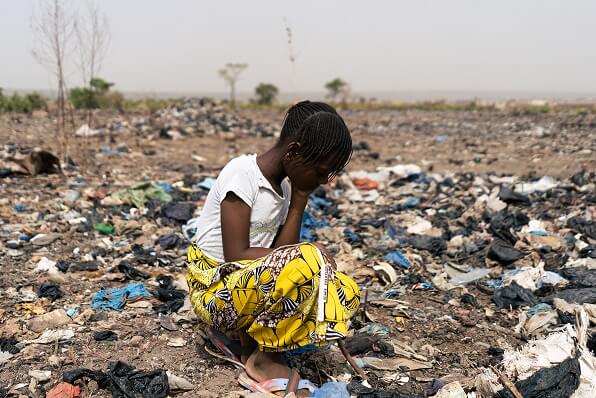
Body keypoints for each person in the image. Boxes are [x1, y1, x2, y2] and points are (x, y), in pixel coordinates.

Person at [186, 101, 360, 396]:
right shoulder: (242, 174)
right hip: (214, 292)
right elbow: (236, 255)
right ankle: (264, 361)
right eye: (321, 171)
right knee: (307, 259)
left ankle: (253, 339)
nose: (324, 181)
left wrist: (301, 197)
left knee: (344, 288)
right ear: (293, 152)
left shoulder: (289, 187)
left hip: (244, 290)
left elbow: (282, 259)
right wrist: (308, 254)